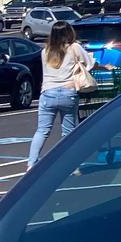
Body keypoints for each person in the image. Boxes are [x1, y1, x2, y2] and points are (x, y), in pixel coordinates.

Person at [29, 21, 93, 166]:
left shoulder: (45, 51)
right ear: (69, 33)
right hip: (68, 93)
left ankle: (31, 163)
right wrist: (105, 66)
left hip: (48, 93)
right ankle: (68, 164)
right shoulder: (74, 47)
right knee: (68, 131)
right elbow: (89, 63)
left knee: (42, 131)